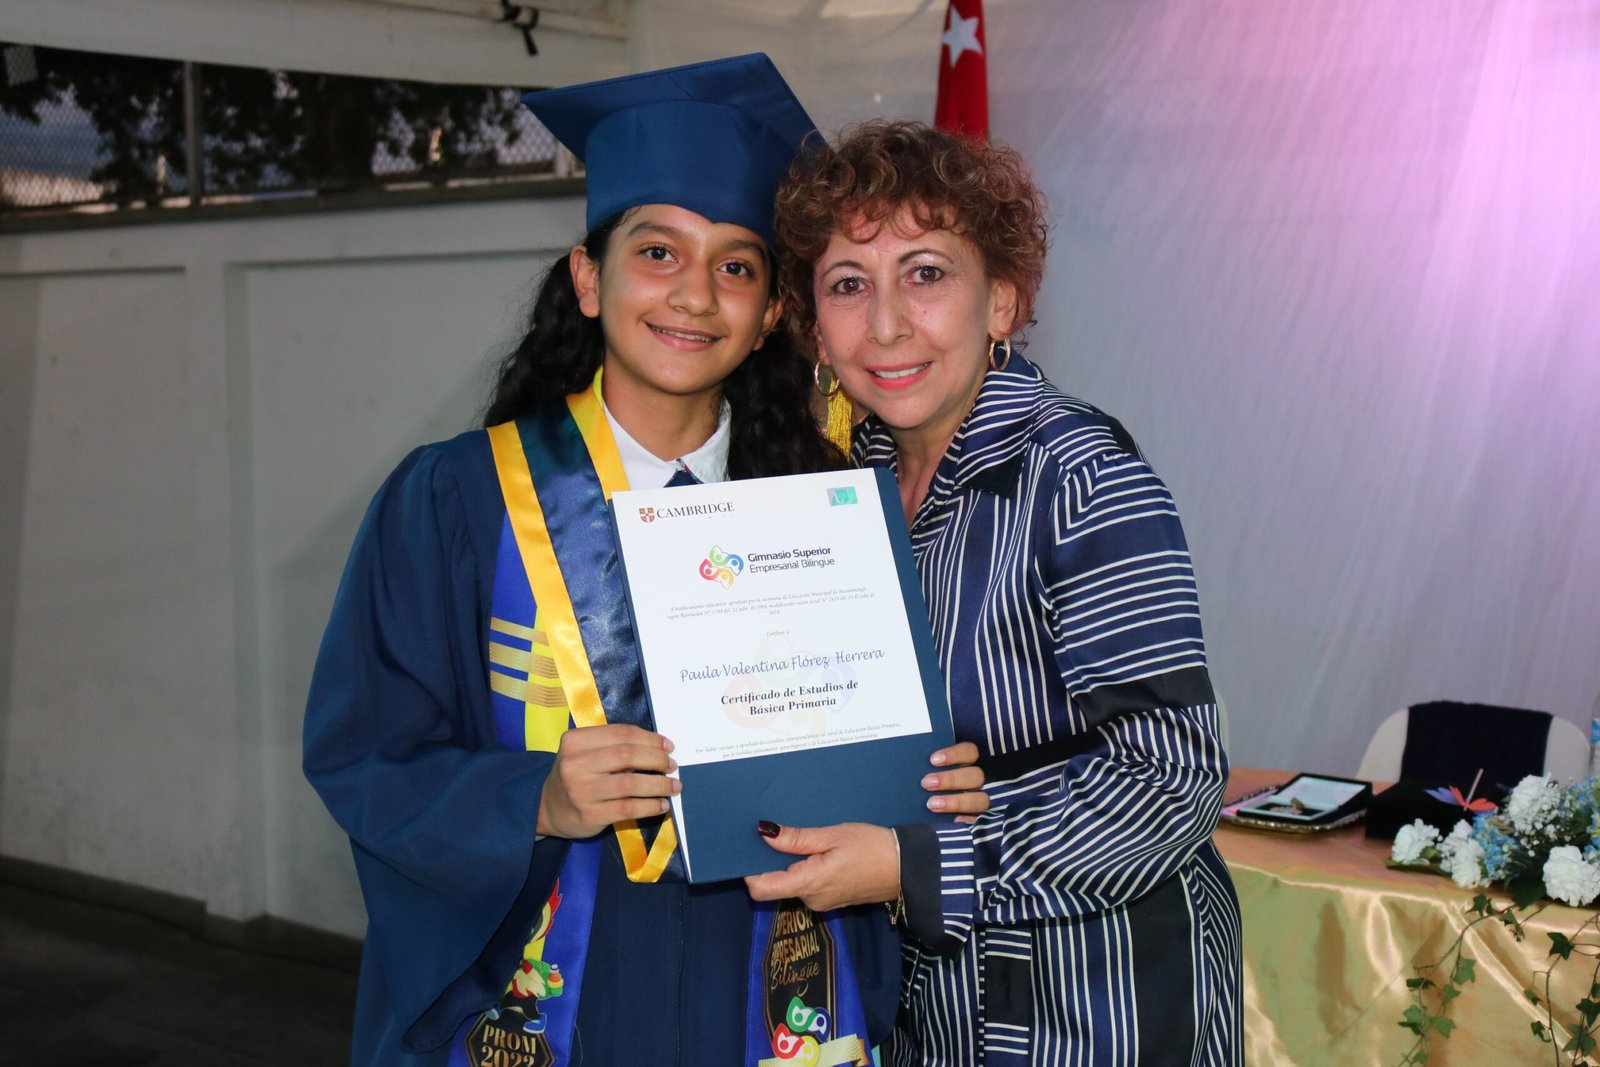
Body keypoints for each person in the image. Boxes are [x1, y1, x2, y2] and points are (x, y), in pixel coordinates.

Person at [302, 60, 986, 1067]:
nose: (695, 295)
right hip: (556, 995)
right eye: (658, 251)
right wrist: (532, 798)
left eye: (737, 267)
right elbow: (366, 757)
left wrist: (928, 786)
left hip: (764, 989)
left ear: (770, 314)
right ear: (589, 278)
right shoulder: (458, 502)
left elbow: (880, 780)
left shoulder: (826, 518)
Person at [751, 120, 1243, 1065]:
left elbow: (1171, 775)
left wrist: (917, 861)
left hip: (1097, 1003)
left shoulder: (1079, 477)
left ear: (1003, 301)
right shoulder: (843, 495)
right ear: (814, 321)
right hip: (929, 1007)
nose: (885, 324)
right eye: (848, 284)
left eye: (926, 274)